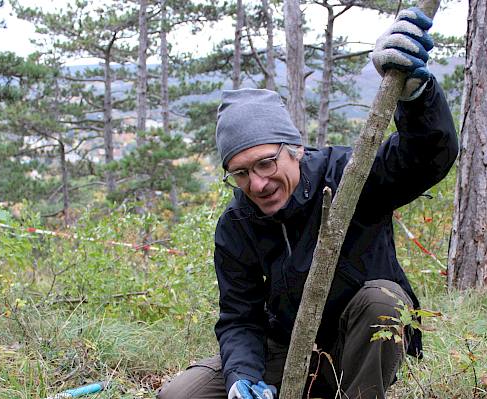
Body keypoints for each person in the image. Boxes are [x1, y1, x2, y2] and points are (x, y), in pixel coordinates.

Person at [158, 7, 457, 399]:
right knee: (180, 395)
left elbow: (425, 156)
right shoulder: (237, 224)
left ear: (295, 148)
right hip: (287, 349)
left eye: (266, 163)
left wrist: (417, 96)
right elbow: (239, 317)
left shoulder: (347, 175)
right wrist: (241, 377)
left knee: (383, 300)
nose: (258, 183)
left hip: (359, 342)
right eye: (241, 172)